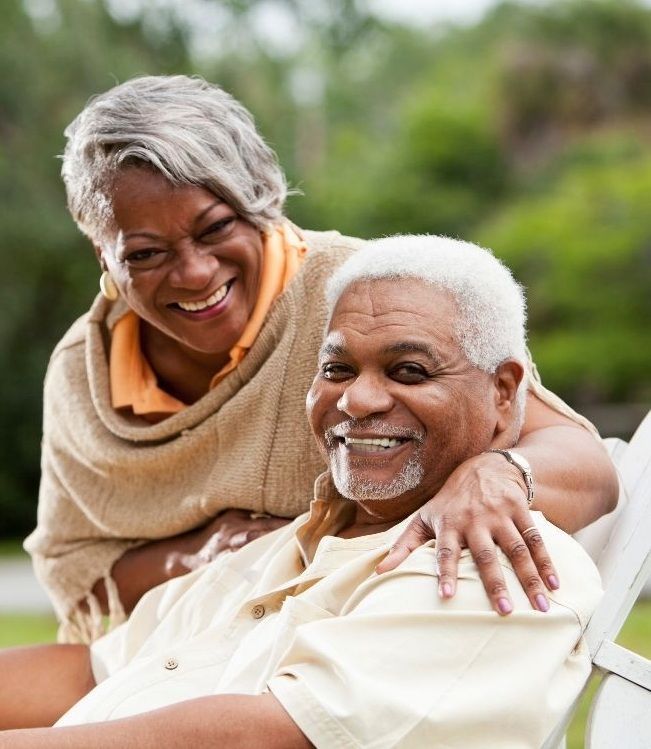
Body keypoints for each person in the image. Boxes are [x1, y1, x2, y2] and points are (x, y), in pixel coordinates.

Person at [24, 74, 617, 643]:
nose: (195, 273)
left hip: (358, 637)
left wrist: (499, 472)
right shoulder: (83, 371)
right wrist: (213, 554)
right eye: (146, 254)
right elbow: (77, 567)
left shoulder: (366, 298)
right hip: (174, 657)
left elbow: (583, 464)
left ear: (261, 203)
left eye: (216, 228)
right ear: (103, 254)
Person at [1, 236, 602, 747]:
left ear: (503, 392)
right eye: (337, 369)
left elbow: (279, 733)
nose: (357, 400)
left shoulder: (493, 562)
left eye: (409, 371)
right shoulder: (287, 543)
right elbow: (92, 669)